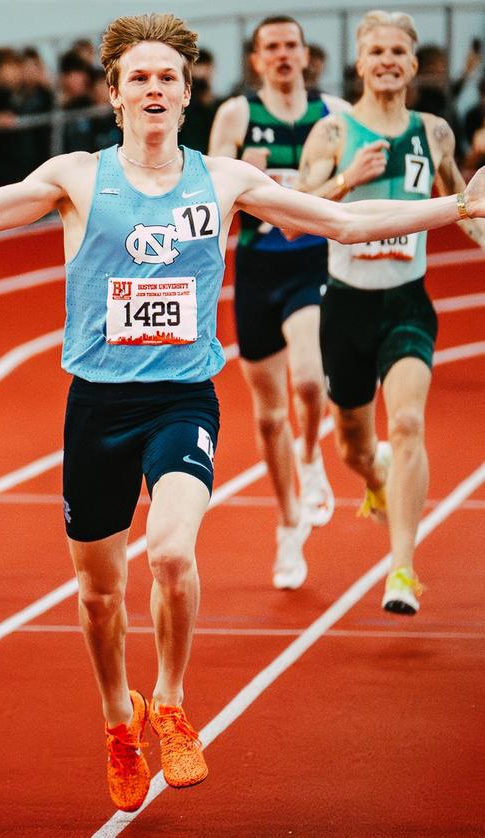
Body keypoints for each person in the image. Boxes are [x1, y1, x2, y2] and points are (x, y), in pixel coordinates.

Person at [0, 11, 484, 813]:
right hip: (97, 406)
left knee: (169, 555)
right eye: (141, 77)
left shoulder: (226, 179)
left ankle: (168, 700)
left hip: (181, 399)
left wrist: (455, 211)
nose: (156, 87)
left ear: (188, 91)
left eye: (169, 76)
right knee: (101, 598)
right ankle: (115, 718)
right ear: (115, 95)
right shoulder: (76, 177)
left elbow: (340, 220)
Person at [294, 9, 485, 615]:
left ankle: (401, 571)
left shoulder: (434, 133)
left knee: (405, 424)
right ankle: (374, 482)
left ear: (412, 62)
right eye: (376, 51)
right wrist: (348, 179)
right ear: (359, 61)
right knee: (352, 445)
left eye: (398, 52)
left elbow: (464, 204)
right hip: (345, 305)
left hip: (407, 302)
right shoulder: (331, 133)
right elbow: (297, 212)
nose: (387, 61)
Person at [208, 16, 348, 591]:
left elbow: (354, 186)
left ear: (306, 54)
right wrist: (242, 186)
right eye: (272, 47)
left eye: (292, 45)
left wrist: (327, 189)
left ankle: (312, 458)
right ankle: (289, 522)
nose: (284, 55)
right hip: (259, 268)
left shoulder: (334, 115)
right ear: (257, 59)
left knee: (311, 380)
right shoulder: (238, 116)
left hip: (313, 263)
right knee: (268, 417)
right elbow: (212, 189)